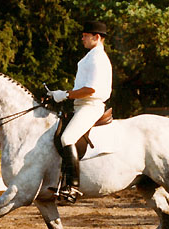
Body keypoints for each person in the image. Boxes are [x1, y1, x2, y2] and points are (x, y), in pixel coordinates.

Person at [48, 20, 112, 203]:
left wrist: (66, 94)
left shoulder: (98, 58)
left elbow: (90, 89)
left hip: (91, 106)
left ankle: (73, 187)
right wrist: (57, 95)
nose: (82, 38)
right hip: (81, 105)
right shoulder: (91, 56)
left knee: (67, 138)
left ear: (96, 37)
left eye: (85, 35)